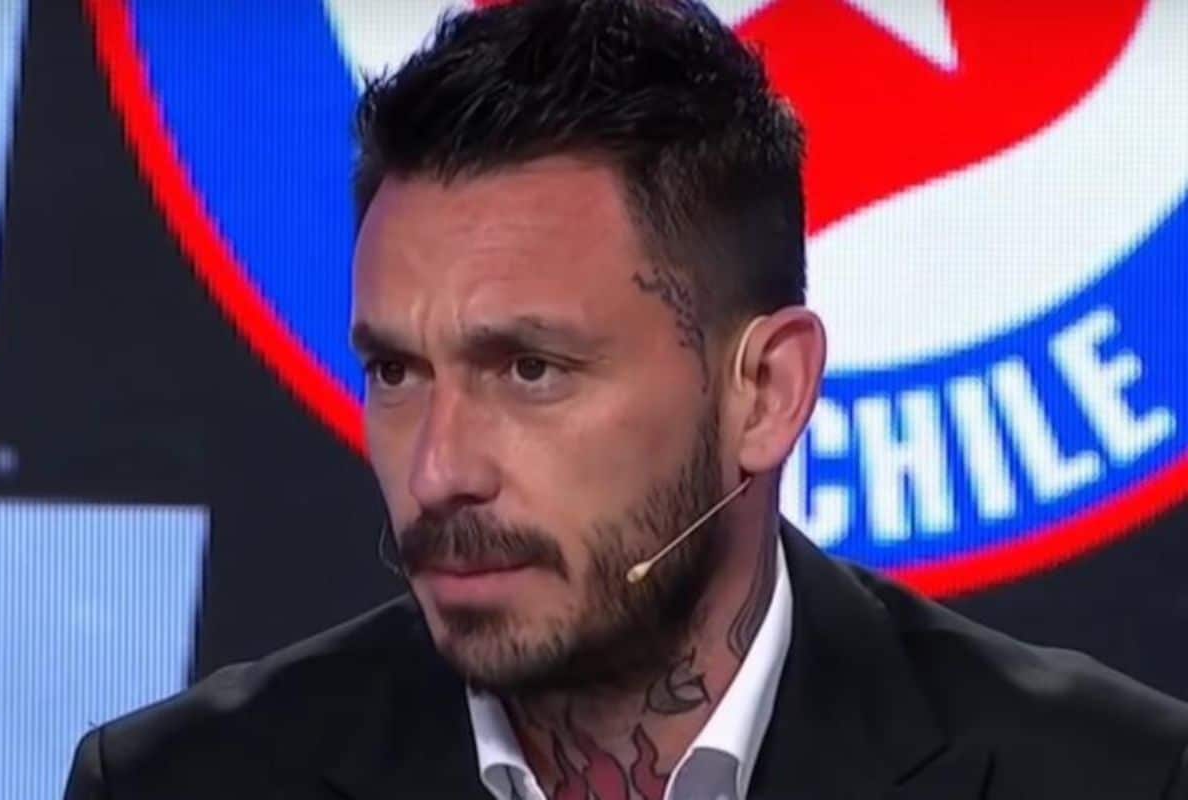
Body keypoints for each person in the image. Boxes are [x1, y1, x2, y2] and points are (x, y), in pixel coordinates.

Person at [65, 1, 1188, 798]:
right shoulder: (181, 783)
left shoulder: (1112, 778)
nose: (439, 469)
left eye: (531, 369)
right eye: (397, 371)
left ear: (766, 392)